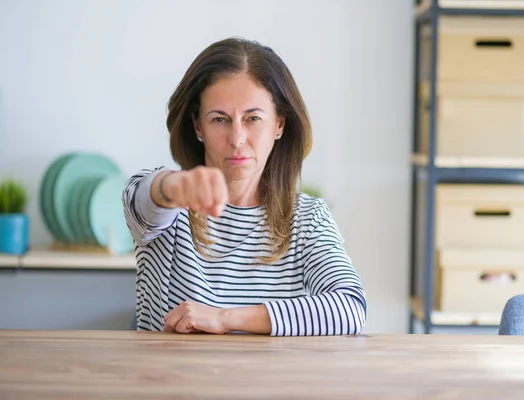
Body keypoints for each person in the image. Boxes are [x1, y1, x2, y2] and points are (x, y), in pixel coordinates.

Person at [122, 37, 366, 336]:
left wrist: (225, 318)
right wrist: (172, 186)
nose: (237, 138)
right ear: (198, 126)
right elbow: (148, 195)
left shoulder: (308, 218)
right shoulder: (169, 205)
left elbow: (350, 308)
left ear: (279, 124)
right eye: (220, 119)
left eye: (253, 118)